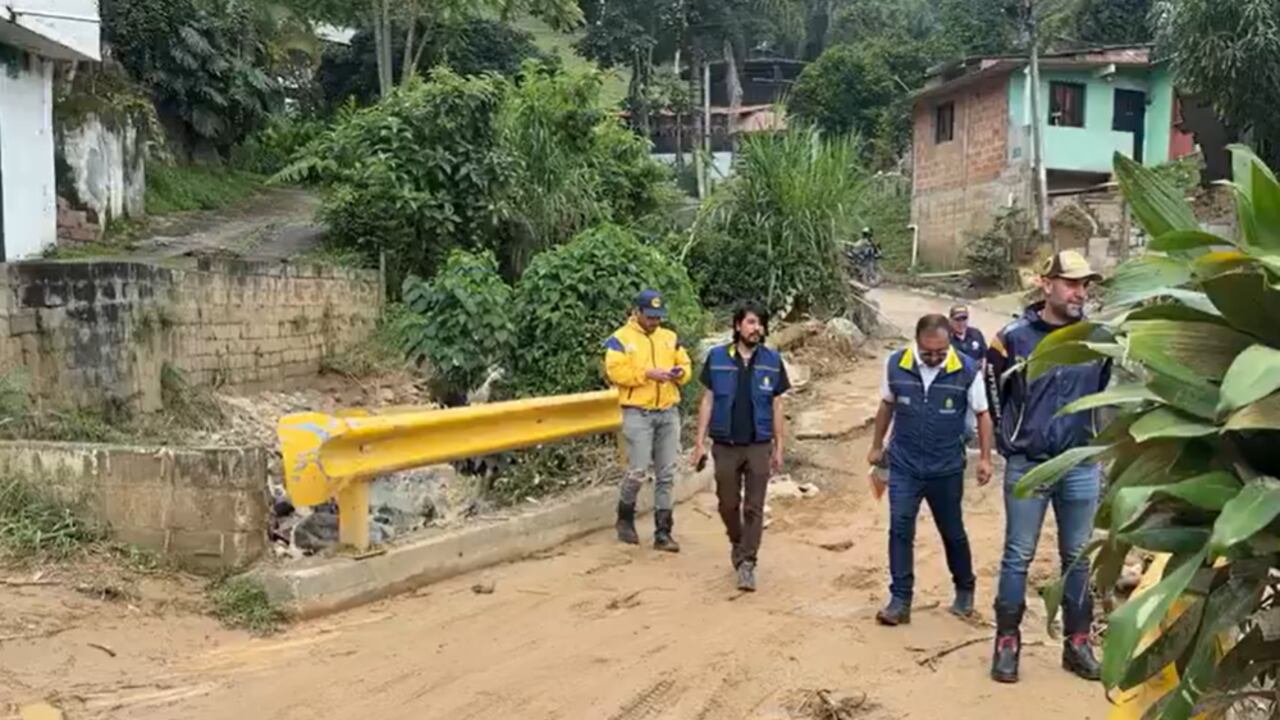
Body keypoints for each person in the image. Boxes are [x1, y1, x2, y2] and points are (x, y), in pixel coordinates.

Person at [986, 250, 1109, 684]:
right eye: (1071, 283)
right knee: (1017, 555)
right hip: (1029, 465)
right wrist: (1010, 442)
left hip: (1079, 465)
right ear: (1046, 284)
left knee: (1078, 558)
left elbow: (1104, 393)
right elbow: (993, 388)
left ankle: (1078, 644)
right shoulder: (1012, 338)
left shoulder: (1097, 338)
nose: (1080, 292)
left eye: (1085, 285)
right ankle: (1007, 643)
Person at [867, 314, 994, 626]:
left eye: (942, 351)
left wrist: (986, 458)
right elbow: (887, 404)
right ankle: (900, 600)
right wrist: (876, 444)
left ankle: (965, 589)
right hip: (904, 464)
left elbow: (982, 413)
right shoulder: (897, 364)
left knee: (952, 531)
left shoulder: (965, 368)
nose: (936, 358)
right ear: (917, 342)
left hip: (947, 468)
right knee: (899, 529)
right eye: (929, 353)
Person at [691, 301, 791, 592]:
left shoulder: (772, 360)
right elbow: (708, 400)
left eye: (760, 323)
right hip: (725, 444)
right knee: (727, 503)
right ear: (737, 326)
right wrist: (699, 442)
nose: (756, 328)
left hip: (759, 445)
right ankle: (737, 542)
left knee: (754, 507)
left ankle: (748, 562)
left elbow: (777, 404)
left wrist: (779, 445)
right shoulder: (718, 357)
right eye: (750, 322)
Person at [604, 289, 693, 552]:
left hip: (667, 411)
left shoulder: (669, 337)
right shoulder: (619, 339)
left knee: (666, 474)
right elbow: (615, 371)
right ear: (637, 312)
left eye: (659, 317)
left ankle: (663, 532)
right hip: (637, 412)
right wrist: (648, 374)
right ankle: (625, 518)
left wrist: (680, 374)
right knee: (638, 471)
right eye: (651, 317)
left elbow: (685, 363)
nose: (655, 322)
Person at [949, 304, 987, 442]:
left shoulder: (976, 334)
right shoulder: (947, 339)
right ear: (951, 320)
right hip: (954, 384)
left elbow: (983, 357)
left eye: (964, 319)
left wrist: (981, 376)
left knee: (970, 427)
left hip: (973, 383)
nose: (961, 323)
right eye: (958, 319)